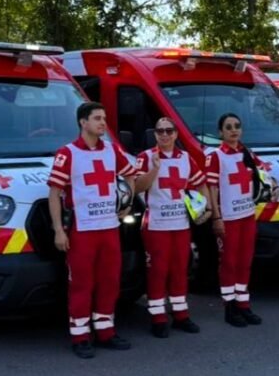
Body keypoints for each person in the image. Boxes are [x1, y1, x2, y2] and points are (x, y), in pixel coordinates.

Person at [47, 102, 139, 359]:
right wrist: (58, 230)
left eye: (104, 118)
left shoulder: (112, 149)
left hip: (109, 228)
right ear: (82, 122)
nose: (102, 122)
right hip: (82, 229)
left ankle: (106, 332)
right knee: (81, 284)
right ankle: (80, 336)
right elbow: (54, 194)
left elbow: (131, 175)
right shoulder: (67, 153)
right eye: (97, 118)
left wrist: (127, 202)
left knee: (110, 281)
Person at [134, 117, 209, 338]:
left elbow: (200, 182)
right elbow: (136, 187)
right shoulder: (145, 157)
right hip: (156, 225)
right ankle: (157, 318)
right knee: (158, 271)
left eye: (168, 130)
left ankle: (181, 315)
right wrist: (154, 170)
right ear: (154, 134)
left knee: (179, 270)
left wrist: (205, 209)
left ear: (176, 133)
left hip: (181, 224)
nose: (164, 135)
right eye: (159, 131)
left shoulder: (185, 157)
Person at [205, 112, 275, 327]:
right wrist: (216, 217)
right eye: (228, 127)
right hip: (229, 218)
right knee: (229, 262)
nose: (234, 130)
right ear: (220, 132)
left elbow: (263, 174)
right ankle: (230, 306)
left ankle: (244, 304)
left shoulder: (247, 153)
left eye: (237, 126)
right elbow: (211, 188)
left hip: (247, 216)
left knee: (245, 262)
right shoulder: (215, 156)